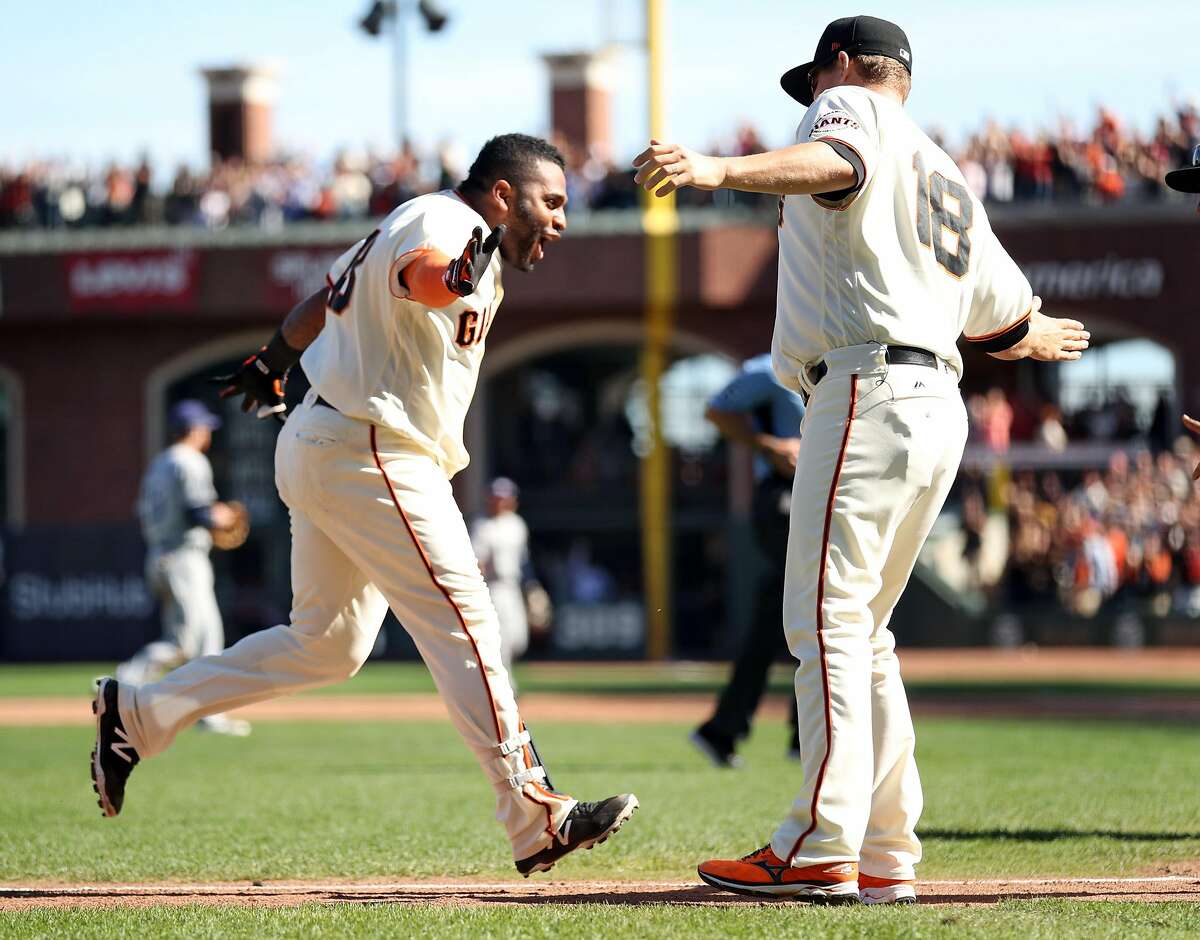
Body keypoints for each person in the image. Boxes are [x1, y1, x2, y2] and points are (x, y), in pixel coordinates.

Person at [91, 134, 638, 876]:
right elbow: (425, 280)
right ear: (505, 195)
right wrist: (460, 270)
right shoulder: (451, 226)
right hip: (373, 447)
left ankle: (140, 715)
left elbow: (329, 299)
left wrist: (274, 361)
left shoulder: (419, 222)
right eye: (552, 201)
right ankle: (536, 813)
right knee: (466, 617)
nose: (562, 219)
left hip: (332, 439)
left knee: (328, 644)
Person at [635, 14, 1088, 904]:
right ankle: (886, 852)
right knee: (862, 634)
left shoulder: (848, 108)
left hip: (866, 387)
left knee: (822, 621)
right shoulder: (945, 166)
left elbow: (838, 163)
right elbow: (1000, 314)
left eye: (818, 80)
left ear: (842, 64)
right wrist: (1039, 335)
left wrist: (720, 168)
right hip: (935, 399)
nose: (814, 97)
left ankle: (819, 844)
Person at [690, 354, 803, 767]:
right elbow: (717, 411)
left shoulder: (838, 354)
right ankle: (808, 735)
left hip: (822, 495)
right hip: (783, 496)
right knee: (813, 605)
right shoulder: (769, 367)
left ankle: (725, 728)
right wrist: (769, 445)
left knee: (783, 611)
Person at [116, 400, 249, 737]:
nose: (207, 434)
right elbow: (197, 512)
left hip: (159, 554)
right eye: (204, 427)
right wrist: (222, 516)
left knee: (194, 639)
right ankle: (125, 683)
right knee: (195, 641)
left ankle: (203, 713)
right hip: (183, 558)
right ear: (194, 430)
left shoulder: (158, 463)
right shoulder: (190, 461)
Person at [470, 477, 545, 673]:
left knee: (519, 640)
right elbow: (478, 562)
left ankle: (501, 679)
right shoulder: (482, 525)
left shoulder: (517, 524)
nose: (500, 501)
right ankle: (506, 686)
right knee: (500, 638)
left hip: (513, 587)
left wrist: (532, 586)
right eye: (496, 497)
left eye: (504, 497)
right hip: (493, 588)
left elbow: (523, 560)